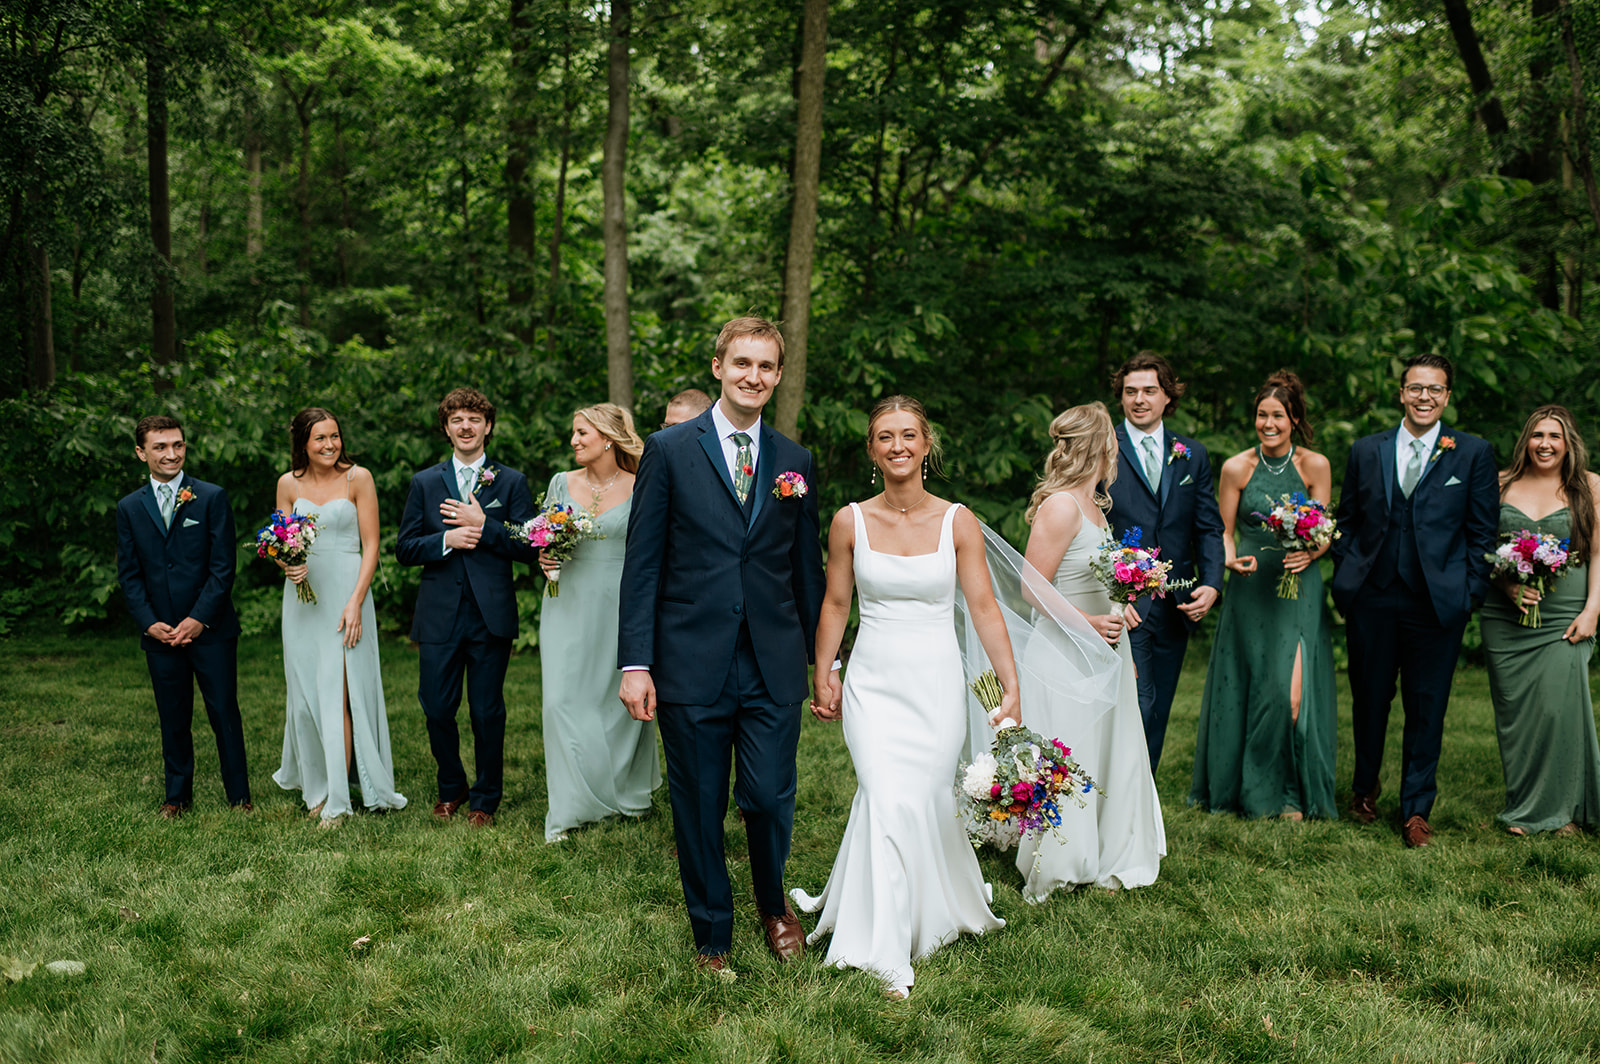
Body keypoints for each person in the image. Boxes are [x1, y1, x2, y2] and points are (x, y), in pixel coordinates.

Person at [617, 316, 829, 981]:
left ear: (778, 375)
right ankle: (712, 931)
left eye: (767, 367)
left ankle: (773, 905)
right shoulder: (670, 449)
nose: (754, 377)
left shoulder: (795, 462)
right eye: (743, 364)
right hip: (688, 660)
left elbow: (806, 571)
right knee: (699, 803)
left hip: (772, 660)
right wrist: (636, 662)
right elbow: (643, 562)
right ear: (718, 367)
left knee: (767, 796)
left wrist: (827, 660)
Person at [792, 396, 1014, 1001]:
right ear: (872, 450)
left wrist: (1007, 682)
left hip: (937, 680)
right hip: (874, 683)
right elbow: (837, 604)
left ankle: (927, 909)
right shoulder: (849, 521)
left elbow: (985, 608)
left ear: (925, 445)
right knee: (886, 795)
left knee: (922, 797)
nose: (897, 445)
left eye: (908, 435)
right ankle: (884, 946)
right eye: (885, 436)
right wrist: (824, 670)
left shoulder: (957, 521)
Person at [1331, 354, 1498, 847]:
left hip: (1437, 604)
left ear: (1447, 397)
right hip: (1372, 598)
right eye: (1415, 388)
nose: (1424, 396)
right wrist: (1350, 575)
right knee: (1370, 700)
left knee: (1427, 706)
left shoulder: (1471, 453)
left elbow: (1482, 532)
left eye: (1435, 389)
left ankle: (1416, 809)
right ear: (1401, 393)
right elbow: (1347, 521)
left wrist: (1467, 593)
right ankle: (1364, 790)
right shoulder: (1367, 450)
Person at [1018, 401, 1166, 897]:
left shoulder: (1095, 509)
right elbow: (1031, 587)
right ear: (1101, 446)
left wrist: (1120, 606)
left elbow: (1085, 578)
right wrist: (1089, 621)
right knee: (1071, 754)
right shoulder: (1060, 505)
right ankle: (1061, 862)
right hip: (1066, 651)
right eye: (1114, 444)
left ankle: (1109, 849)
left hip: (1103, 648)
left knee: (1106, 751)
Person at [1189, 373, 1337, 820]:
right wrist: (1229, 561)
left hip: (1297, 590)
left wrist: (1311, 551)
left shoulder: (1315, 465)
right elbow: (1225, 532)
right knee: (1247, 688)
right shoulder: (1237, 468)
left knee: (1290, 694)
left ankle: (1290, 792)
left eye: (1277, 416)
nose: (1268, 424)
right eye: (1261, 415)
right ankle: (1248, 792)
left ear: (1294, 419)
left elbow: (1325, 529)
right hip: (1251, 589)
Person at [396, 388, 538, 829]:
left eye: (474, 419)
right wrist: (445, 540)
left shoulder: (511, 481)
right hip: (439, 614)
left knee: (485, 710)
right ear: (446, 428)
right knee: (436, 706)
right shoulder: (425, 482)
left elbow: (529, 546)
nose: (466, 427)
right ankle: (451, 785)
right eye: (457, 419)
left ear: (487, 426)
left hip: (489, 614)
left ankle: (486, 798)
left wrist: (484, 526)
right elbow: (404, 548)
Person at [270, 408, 406, 826]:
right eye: (320, 439)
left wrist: (356, 601)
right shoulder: (287, 484)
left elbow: (372, 545)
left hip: (348, 593)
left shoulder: (357, 479)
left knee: (338, 695)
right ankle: (315, 787)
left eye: (334, 436)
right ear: (303, 444)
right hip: (303, 600)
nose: (330, 445)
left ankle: (336, 799)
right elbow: (282, 541)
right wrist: (286, 564)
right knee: (308, 700)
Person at [114, 415, 252, 818]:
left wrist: (198, 619)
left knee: (224, 712)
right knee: (172, 715)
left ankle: (239, 796)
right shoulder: (129, 507)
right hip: (159, 632)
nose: (171, 454)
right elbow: (130, 573)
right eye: (160, 447)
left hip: (210, 630)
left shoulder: (210, 497)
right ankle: (176, 797)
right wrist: (148, 621)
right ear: (141, 453)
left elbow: (224, 566)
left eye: (177, 445)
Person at [538, 403, 660, 842]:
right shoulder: (560, 483)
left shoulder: (638, 485)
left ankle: (622, 793)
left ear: (608, 438)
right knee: (560, 702)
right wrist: (544, 553)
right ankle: (569, 807)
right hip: (566, 600)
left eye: (581, 433)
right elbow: (545, 535)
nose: (573, 441)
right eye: (574, 433)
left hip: (619, 602)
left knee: (614, 701)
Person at [1480, 405, 1600, 836]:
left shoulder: (1589, 487)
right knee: (1517, 718)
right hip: (1504, 616)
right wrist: (1507, 587)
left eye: (1554, 436)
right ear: (1525, 441)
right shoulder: (1498, 484)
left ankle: (1560, 812)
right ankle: (1526, 803)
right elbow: (1478, 547)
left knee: (1557, 710)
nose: (1544, 444)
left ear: (1569, 442)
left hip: (1565, 617)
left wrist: (1593, 611)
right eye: (1536, 435)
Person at [1105, 352, 1226, 774]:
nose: (1139, 399)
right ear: (1120, 396)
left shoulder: (1191, 454)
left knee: (1159, 710)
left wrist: (1212, 582)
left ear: (1167, 396)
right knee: (1136, 703)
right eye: (1130, 391)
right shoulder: (1103, 450)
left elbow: (1209, 526)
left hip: (1176, 603)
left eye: (1149, 390)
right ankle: (1117, 799)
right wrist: (1114, 598)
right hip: (1124, 606)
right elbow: (1090, 525)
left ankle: (1143, 801)